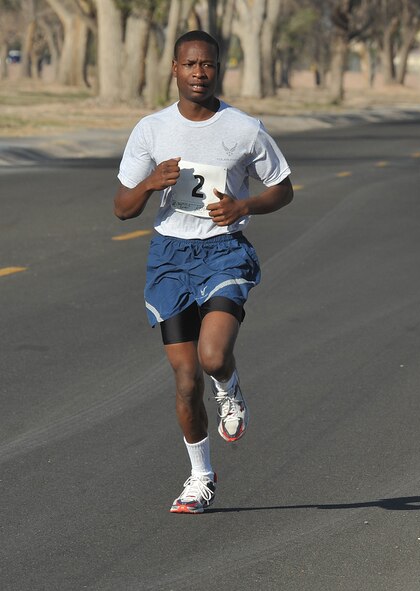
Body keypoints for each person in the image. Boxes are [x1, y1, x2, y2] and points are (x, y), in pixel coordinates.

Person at [113, 30, 294, 514]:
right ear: (174, 69)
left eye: (208, 65)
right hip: (170, 256)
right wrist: (152, 182)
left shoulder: (244, 128)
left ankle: (230, 389)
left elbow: (283, 188)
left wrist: (244, 205)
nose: (199, 73)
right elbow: (122, 208)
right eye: (190, 65)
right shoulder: (151, 129)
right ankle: (200, 475)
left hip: (224, 251)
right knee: (186, 379)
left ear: (218, 69)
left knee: (213, 358)